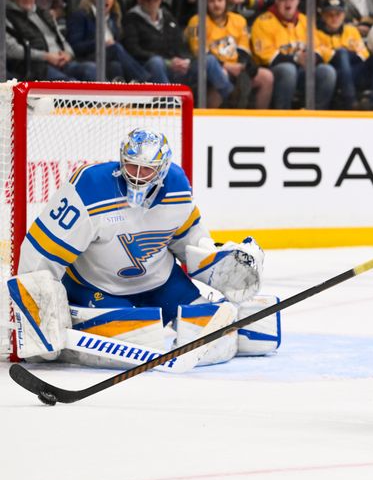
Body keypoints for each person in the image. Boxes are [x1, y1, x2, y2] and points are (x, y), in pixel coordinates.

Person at [8, 129, 278, 369]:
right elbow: (42, 249)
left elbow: (189, 241)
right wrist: (38, 312)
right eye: (131, 165)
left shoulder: (177, 186)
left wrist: (219, 262)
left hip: (161, 282)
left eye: (145, 168)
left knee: (215, 323)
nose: (136, 175)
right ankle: (76, 329)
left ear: (162, 168)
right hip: (98, 287)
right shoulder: (91, 187)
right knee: (137, 340)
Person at [123, 0, 236, 102]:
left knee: (209, 60)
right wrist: (168, 62)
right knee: (156, 62)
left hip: (176, 68)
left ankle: (233, 100)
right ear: (139, 0)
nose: (151, 2)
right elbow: (133, 50)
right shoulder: (131, 19)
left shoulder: (167, 17)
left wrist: (185, 60)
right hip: (148, 72)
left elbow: (180, 43)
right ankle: (171, 106)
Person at [251, 0, 337, 109]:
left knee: (327, 71)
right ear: (277, 1)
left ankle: (316, 116)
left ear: (297, 1)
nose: (288, 3)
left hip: (302, 72)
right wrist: (296, 59)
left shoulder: (305, 20)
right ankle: (282, 115)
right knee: (288, 69)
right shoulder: (263, 22)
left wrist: (313, 56)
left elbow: (320, 47)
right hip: (275, 72)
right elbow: (266, 57)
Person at [186, 0, 274, 109]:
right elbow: (201, 55)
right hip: (209, 70)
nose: (216, 4)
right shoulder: (197, 21)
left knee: (266, 77)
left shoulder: (239, 20)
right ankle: (227, 102)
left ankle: (259, 118)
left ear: (226, 1)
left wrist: (243, 66)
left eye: (220, 0)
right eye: (212, 1)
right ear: (205, 3)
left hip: (235, 67)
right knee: (221, 74)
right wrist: (226, 66)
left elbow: (243, 51)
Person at [6, 0, 97, 82]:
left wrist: (68, 53)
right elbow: (12, 50)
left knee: (92, 70)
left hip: (62, 61)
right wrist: (47, 56)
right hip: (36, 67)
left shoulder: (45, 14)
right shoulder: (7, 17)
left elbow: (61, 39)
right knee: (70, 84)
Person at [66, 0, 149, 83]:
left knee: (116, 66)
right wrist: (100, 44)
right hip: (86, 58)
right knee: (115, 48)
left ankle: (118, 97)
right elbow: (75, 46)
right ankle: (143, 81)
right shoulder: (81, 16)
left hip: (107, 59)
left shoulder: (113, 18)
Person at [316, 0, 373, 110]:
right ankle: (351, 101)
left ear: (344, 15)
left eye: (338, 14)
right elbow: (324, 57)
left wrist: (343, 54)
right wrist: (346, 53)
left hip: (355, 72)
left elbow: (363, 54)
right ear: (323, 16)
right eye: (330, 14)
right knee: (342, 53)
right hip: (335, 75)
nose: (334, 18)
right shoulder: (316, 34)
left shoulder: (351, 30)